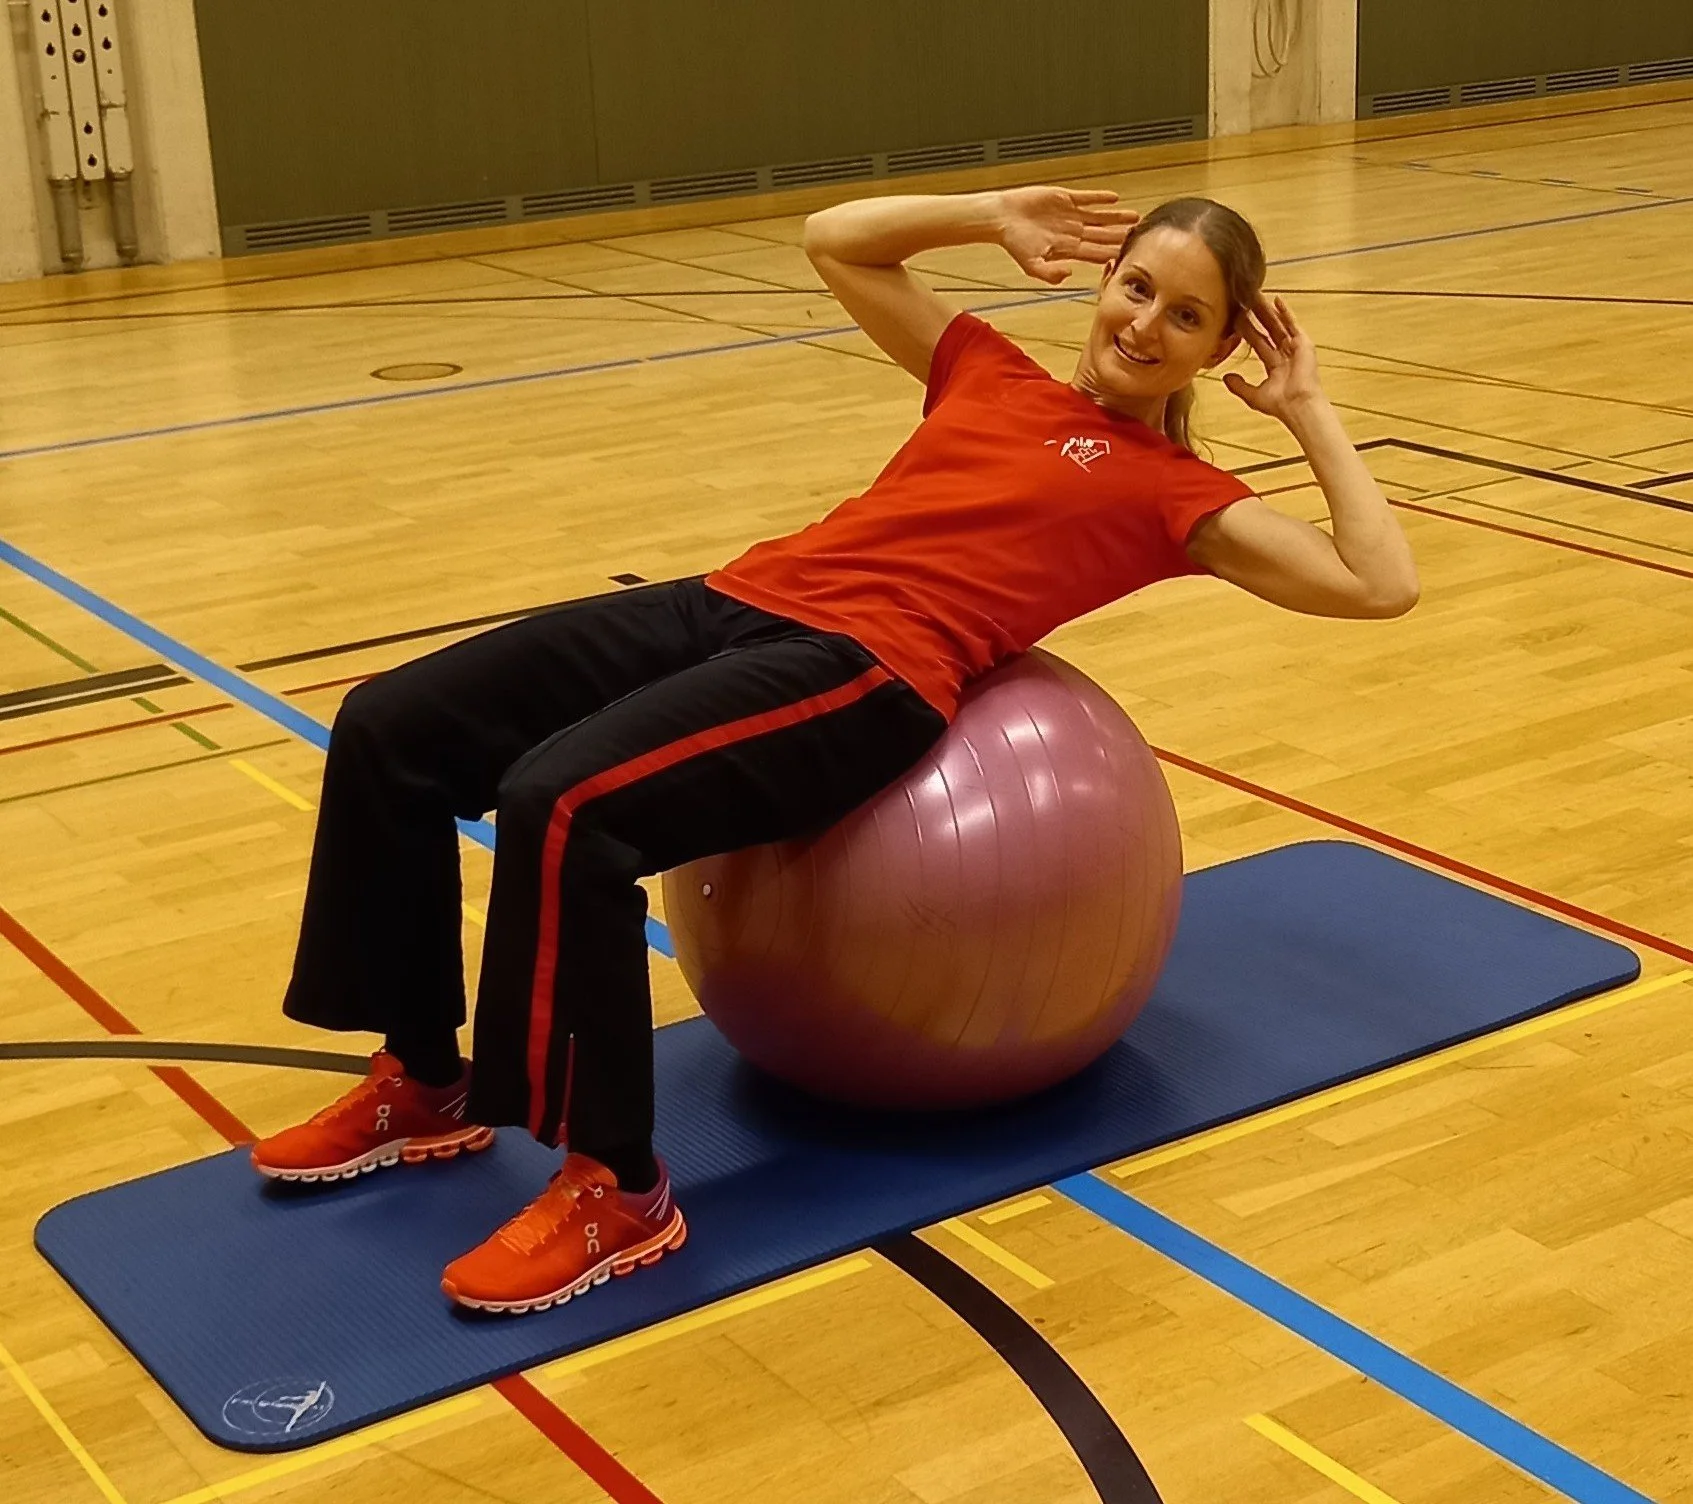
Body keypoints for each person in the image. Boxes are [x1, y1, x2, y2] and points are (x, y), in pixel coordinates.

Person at [250, 186, 1419, 1315]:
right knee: (391, 723)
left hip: (865, 670)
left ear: (1220, 349)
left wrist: (1306, 407)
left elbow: (1378, 582)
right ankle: (422, 1078)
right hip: (735, 600)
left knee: (566, 806)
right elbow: (835, 241)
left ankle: (618, 1189)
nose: (1145, 324)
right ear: (1104, 278)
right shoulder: (987, 368)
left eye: (1187, 315)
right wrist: (987, 215)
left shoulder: (1177, 493)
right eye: (1138, 286)